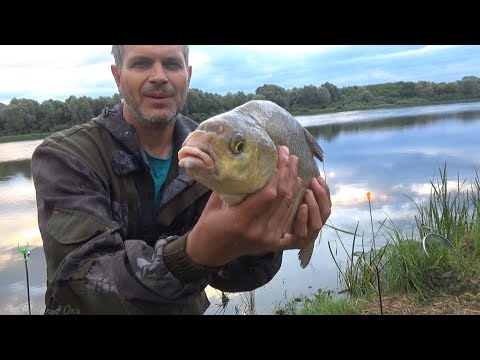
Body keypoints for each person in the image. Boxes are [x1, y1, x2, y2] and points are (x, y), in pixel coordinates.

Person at [31, 45, 332, 315]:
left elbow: (231, 277)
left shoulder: (212, 158)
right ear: (117, 76)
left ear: (187, 76)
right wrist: (192, 253)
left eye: (172, 64)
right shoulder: (65, 157)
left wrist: (259, 245)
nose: (159, 76)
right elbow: (78, 285)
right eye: (141, 63)